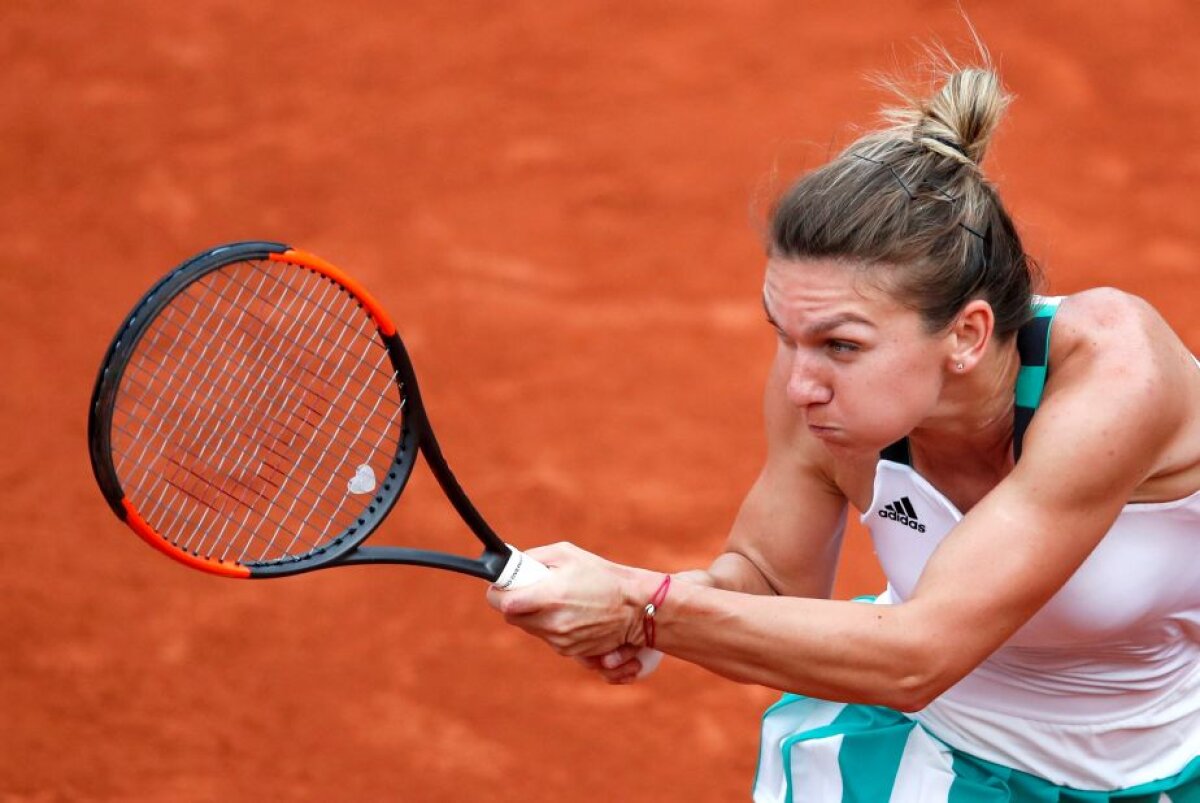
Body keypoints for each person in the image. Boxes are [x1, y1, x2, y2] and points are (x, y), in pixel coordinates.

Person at [486, 56, 1200, 801]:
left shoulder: (1117, 372)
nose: (799, 383)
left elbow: (921, 651)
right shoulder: (820, 392)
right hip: (940, 754)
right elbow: (765, 579)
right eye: (785, 335)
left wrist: (649, 605)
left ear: (966, 334)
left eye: (841, 344)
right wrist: (639, 615)